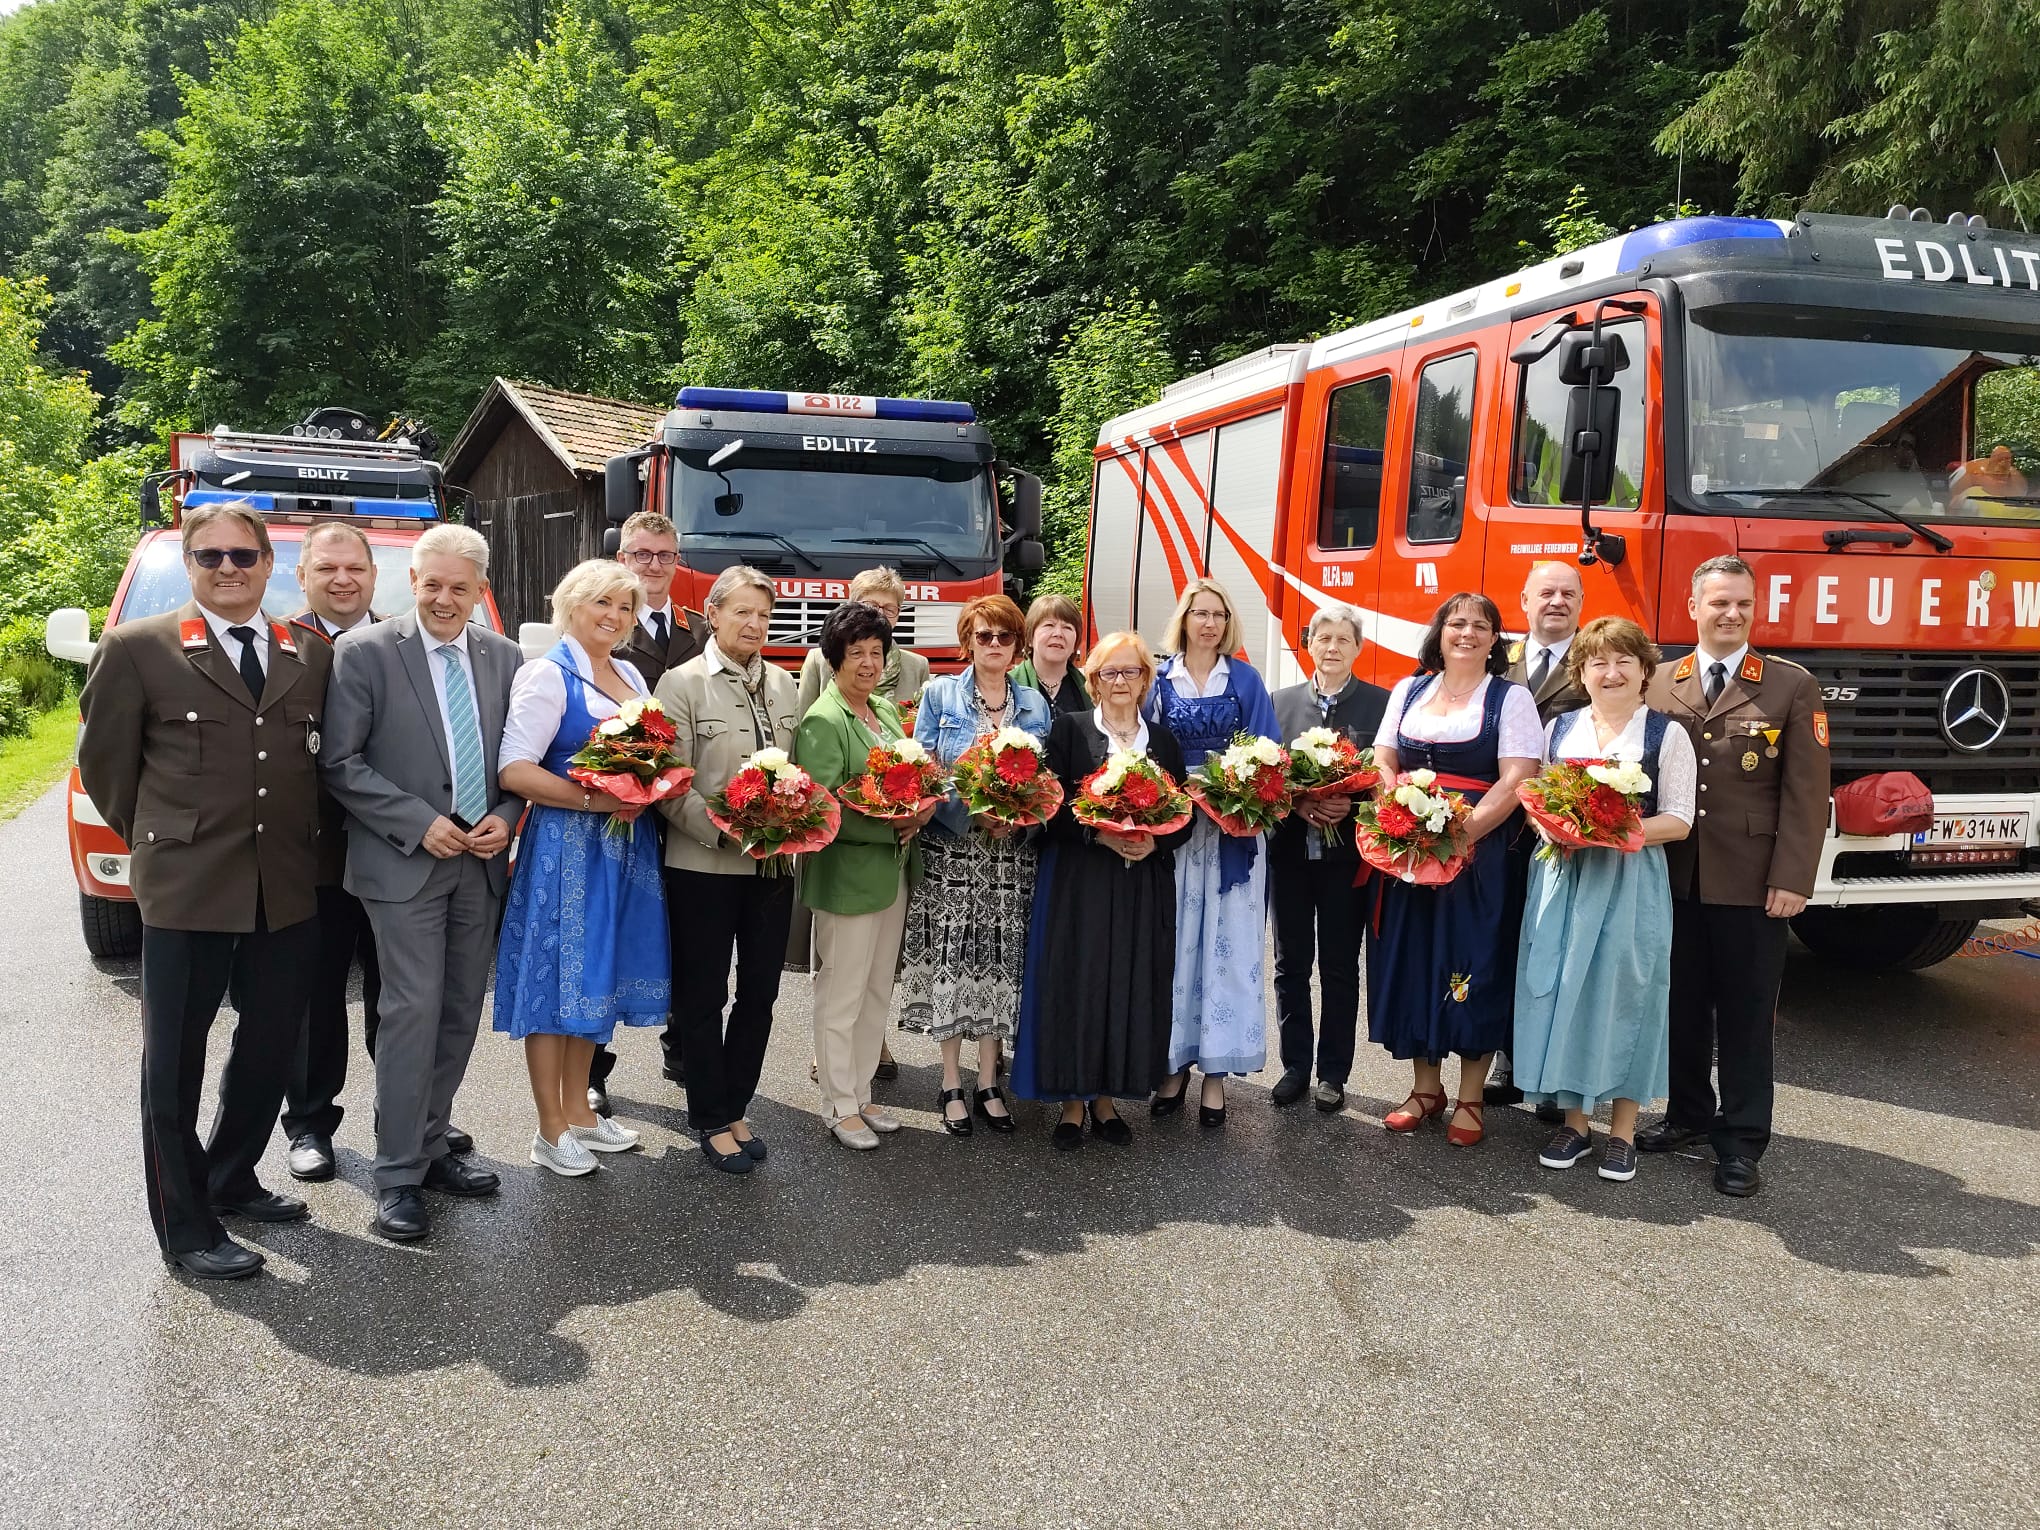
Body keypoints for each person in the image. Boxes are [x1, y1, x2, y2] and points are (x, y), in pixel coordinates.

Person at [77, 500, 330, 1280]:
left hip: (284, 886)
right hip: (188, 890)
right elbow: (108, 773)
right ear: (190, 566)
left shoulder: (306, 652)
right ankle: (185, 1226)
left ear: (267, 565)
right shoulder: (137, 649)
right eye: (210, 557)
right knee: (174, 1065)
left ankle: (230, 1176)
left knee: (268, 1047)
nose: (228, 569)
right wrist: (167, 846)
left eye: (243, 557)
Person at [318, 525, 523, 1241]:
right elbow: (341, 763)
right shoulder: (365, 652)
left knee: (461, 1010)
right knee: (411, 1011)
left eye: (458, 587)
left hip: (480, 863)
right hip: (403, 863)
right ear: (411, 582)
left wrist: (507, 812)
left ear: (480, 591)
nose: (443, 598)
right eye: (431, 584)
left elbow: (516, 757)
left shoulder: (505, 657)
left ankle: (432, 1146)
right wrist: (415, 821)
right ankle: (397, 1175)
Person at [1638, 556, 1829, 1197]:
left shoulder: (1789, 686)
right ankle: (1688, 1114)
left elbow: (1806, 794)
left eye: (1743, 604)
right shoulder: (1660, 681)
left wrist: (1793, 878)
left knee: (1747, 1015)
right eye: (1719, 602)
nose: (1732, 613)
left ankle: (1742, 1137)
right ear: (1693, 606)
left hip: (1753, 880)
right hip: (1673, 876)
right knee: (1681, 1004)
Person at [495, 561, 671, 1176]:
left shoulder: (626, 671)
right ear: (570, 604)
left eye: (625, 608)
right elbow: (515, 768)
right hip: (569, 847)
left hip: (623, 845)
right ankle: (548, 1127)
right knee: (556, 981)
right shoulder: (547, 674)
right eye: (603, 603)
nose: (614, 617)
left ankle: (579, 1111)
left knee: (594, 976)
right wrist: (595, 798)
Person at [1512, 617, 1695, 1183]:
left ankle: (1622, 1131)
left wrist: (1611, 832)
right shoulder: (1560, 728)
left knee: (1624, 992)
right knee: (1568, 989)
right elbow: (1536, 799)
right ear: (1582, 672)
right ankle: (1575, 1121)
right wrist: (1554, 828)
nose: (1611, 673)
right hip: (1564, 876)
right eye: (1598, 662)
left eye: (1624, 662)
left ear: (1645, 671)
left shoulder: (1667, 734)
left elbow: (1681, 820)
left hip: (1629, 880)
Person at [1368, 592, 1542, 1147]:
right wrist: (1403, 818)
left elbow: (1516, 779)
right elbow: (1383, 759)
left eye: (1480, 626)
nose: (1466, 633)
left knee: (1473, 961)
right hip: (1409, 849)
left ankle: (1470, 1096)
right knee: (1415, 959)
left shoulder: (1510, 698)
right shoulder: (1409, 688)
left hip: (1477, 855)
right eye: (1456, 623)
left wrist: (1458, 836)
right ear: (1439, 633)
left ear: (1496, 640)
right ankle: (1425, 1088)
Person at [1011, 632, 1192, 1148]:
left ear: (1144, 680)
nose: (1120, 681)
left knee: (1127, 982)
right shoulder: (1068, 731)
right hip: (1080, 881)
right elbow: (1052, 806)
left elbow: (1181, 817)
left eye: (1130, 672)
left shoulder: (1163, 741)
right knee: (1079, 980)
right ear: (1092, 680)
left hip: (1141, 885)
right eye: (1109, 672)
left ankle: (1108, 1100)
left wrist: (1152, 845)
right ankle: (1072, 1101)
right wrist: (1101, 834)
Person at [652, 565, 802, 1176]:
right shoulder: (680, 683)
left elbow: (799, 778)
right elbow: (668, 784)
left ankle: (735, 1104)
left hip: (772, 869)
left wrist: (793, 824)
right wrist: (726, 833)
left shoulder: (787, 685)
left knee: (761, 992)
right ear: (711, 614)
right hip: (703, 866)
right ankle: (709, 1115)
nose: (753, 625)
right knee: (704, 993)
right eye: (741, 612)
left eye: (763, 615)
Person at [900, 594, 1052, 1136]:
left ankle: (989, 1080)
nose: (993, 645)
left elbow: (1047, 781)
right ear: (968, 641)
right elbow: (923, 772)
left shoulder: (1035, 704)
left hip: (1011, 856)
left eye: (1004, 637)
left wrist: (1020, 817)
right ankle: (949, 1080)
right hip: (955, 849)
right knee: (954, 959)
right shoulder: (940, 694)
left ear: (1017, 646)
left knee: (1000, 962)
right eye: (983, 636)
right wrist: (975, 811)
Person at [796, 601, 933, 1150]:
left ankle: (860, 1089)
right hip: (848, 874)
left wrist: (921, 808)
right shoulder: (823, 720)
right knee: (842, 991)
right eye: (857, 654)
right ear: (835, 660)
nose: (869, 664)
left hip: (892, 870)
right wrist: (897, 822)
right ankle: (836, 1102)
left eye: (877, 652)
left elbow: (911, 779)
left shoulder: (886, 711)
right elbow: (823, 806)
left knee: (877, 989)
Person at [588, 508, 710, 1114]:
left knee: (690, 934)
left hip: (683, 808)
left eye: (664, 555)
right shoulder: (606, 628)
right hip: (622, 811)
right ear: (622, 559)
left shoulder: (698, 629)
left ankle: (683, 1048)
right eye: (642, 555)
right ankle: (593, 1067)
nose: (654, 566)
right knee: (608, 933)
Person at [1144, 577, 1279, 1126]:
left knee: (1227, 950)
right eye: (1200, 613)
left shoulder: (1245, 680)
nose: (1209, 623)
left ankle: (1216, 1077)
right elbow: (1143, 749)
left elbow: (1268, 756)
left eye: (1219, 615)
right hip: (1179, 833)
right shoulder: (1159, 679)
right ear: (1184, 619)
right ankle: (1173, 1065)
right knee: (1177, 946)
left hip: (1233, 834)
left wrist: (1234, 793)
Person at [279, 522, 386, 1183]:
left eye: (354, 567)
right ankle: (311, 1123)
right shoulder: (278, 644)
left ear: (375, 575)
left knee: (400, 994)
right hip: (312, 856)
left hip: (398, 850)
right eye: (327, 568)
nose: (342, 578)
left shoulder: (407, 643)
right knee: (315, 998)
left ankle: (413, 1115)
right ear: (303, 576)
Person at [1266, 604, 1389, 1114]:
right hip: (1292, 855)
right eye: (1324, 638)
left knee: (1340, 967)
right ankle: (1295, 1066)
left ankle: (1333, 1073)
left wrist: (1352, 802)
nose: (1333, 647)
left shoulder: (1380, 705)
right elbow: (1262, 779)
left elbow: (1387, 780)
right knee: (1290, 964)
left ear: (1358, 648)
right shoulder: (1278, 704)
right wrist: (1299, 801)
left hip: (1347, 864)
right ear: (1309, 645)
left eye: (1344, 639)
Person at [1491, 560, 1589, 1117]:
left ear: (1581, 602)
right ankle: (1510, 1062)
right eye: (1545, 592)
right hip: (1499, 829)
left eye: (1568, 593)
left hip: (1566, 833)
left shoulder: (1595, 658)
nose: (1556, 601)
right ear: (1523, 599)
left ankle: (1555, 1075)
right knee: (1506, 943)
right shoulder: (1494, 657)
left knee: (1558, 951)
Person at [796, 566, 931, 711]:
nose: (880, 615)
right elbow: (803, 722)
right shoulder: (819, 660)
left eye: (889, 609)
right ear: (852, 608)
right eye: (871, 606)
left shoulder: (917, 666)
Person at [1010, 593, 1090, 718]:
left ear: (1076, 642)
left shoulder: (1091, 690)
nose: (1058, 633)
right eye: (1049, 625)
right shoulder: (1007, 687)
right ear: (1030, 637)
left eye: (1067, 627)